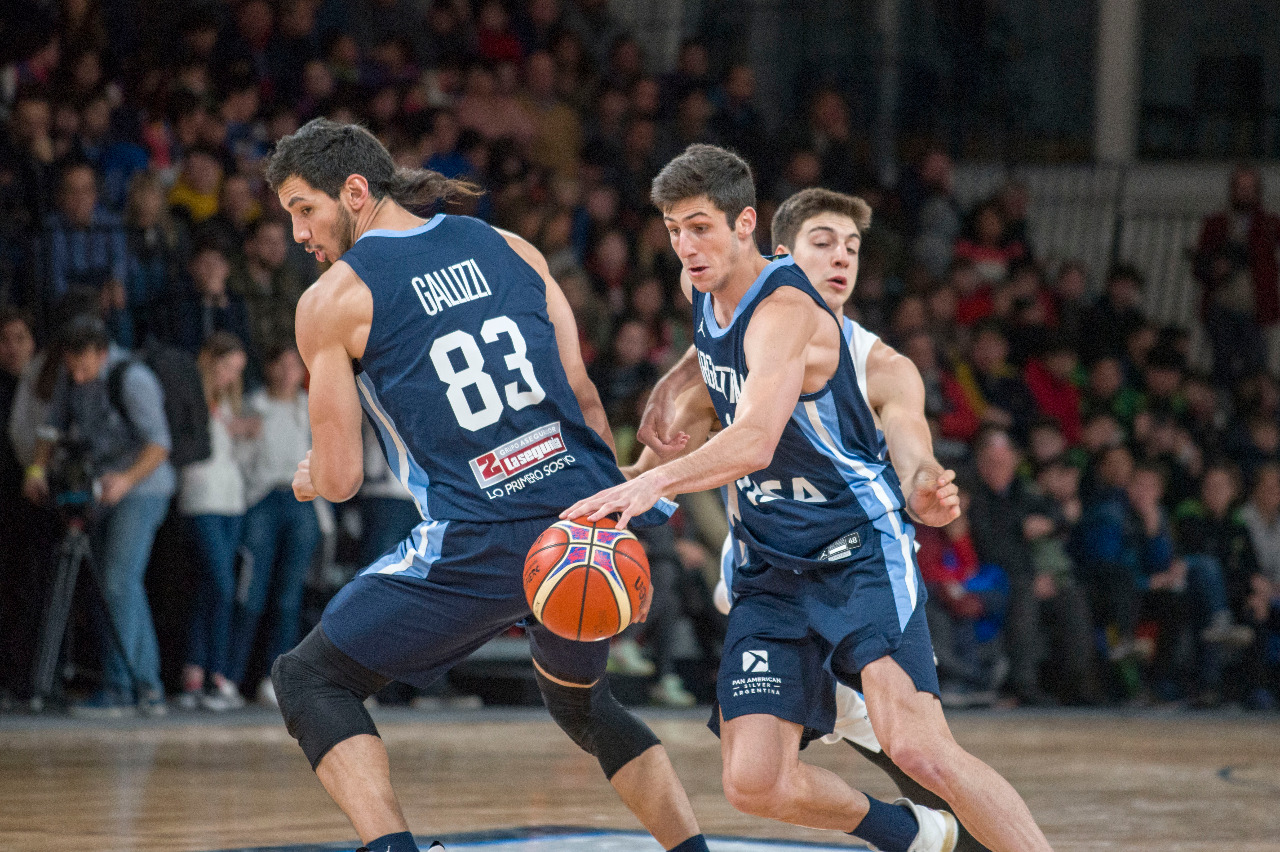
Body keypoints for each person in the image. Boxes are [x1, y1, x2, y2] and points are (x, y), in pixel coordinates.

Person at [564, 145, 1052, 851]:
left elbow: (759, 438)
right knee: (754, 782)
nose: (684, 244)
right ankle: (916, 834)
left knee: (918, 749)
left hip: (854, 551)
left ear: (746, 226)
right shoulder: (699, 286)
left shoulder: (793, 314)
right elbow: (710, 361)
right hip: (770, 565)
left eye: (699, 226)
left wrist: (653, 483)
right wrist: (674, 389)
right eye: (673, 228)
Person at [263, 118, 711, 852]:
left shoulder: (331, 300)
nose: (299, 232)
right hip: (581, 522)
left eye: (303, 208)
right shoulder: (508, 245)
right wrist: (614, 507)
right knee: (584, 704)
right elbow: (584, 397)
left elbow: (343, 479)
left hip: (481, 540)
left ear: (353, 191)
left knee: (309, 679)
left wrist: (312, 476)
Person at [22, 313, 175, 716]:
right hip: (103, 491)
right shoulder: (69, 377)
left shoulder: (133, 378)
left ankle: (124, 688)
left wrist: (125, 480)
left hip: (142, 488)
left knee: (118, 581)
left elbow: (160, 445)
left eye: (85, 365)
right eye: (71, 365)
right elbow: (50, 430)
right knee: (116, 586)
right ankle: (147, 687)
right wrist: (37, 469)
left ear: (103, 353)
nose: (77, 373)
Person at [177, 332, 256, 711]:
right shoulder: (191, 396)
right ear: (210, 362)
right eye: (225, 368)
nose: (229, 377)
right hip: (200, 498)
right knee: (222, 586)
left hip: (231, 500)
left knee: (213, 588)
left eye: (236, 371)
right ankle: (218, 674)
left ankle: (197, 673)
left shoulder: (226, 402)